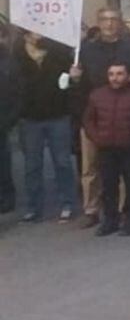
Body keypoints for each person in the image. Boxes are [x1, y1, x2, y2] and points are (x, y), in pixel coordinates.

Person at [69, 7, 130, 228]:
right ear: (98, 22)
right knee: (90, 167)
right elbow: (80, 86)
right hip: (93, 115)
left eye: (113, 19)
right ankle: (92, 209)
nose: (109, 24)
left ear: (120, 22)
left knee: (123, 169)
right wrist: (75, 79)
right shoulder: (87, 49)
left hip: (124, 115)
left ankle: (123, 210)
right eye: (104, 19)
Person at [82, 61, 130, 236]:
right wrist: (97, 137)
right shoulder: (97, 95)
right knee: (108, 185)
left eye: (120, 73)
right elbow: (88, 120)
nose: (115, 78)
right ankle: (110, 221)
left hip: (129, 148)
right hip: (106, 148)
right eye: (111, 74)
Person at [15, 31, 76, 223]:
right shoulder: (17, 53)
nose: (37, 34)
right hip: (29, 117)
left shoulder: (57, 49)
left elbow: (70, 78)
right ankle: (33, 206)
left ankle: (67, 204)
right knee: (32, 165)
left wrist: (73, 76)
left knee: (63, 162)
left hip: (58, 114)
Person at [0, 26, 18, 214]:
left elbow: (16, 93)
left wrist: (9, 120)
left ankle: (6, 198)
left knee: (3, 164)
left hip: (2, 121)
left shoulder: (9, 61)